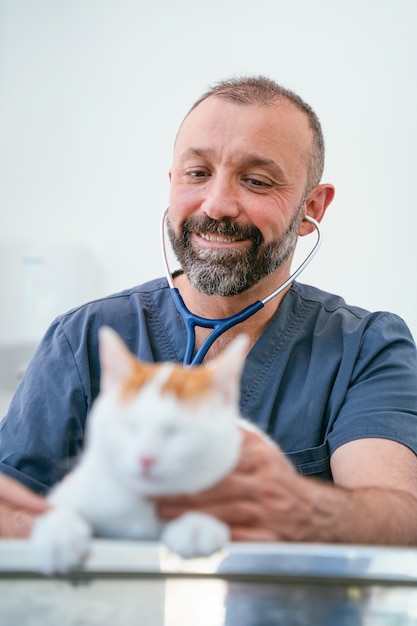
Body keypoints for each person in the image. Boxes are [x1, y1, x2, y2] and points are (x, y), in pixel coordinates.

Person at [1, 75, 417, 544]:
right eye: (196, 174)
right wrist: (99, 522)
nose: (217, 205)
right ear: (172, 183)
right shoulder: (83, 336)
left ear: (311, 208)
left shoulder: (365, 347)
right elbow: (9, 508)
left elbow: (400, 520)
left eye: (257, 181)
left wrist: (301, 508)